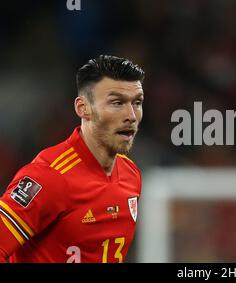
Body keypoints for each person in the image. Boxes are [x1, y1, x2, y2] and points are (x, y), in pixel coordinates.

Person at [0, 55, 145, 263]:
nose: (131, 115)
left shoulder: (131, 175)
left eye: (137, 103)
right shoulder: (49, 176)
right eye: (117, 102)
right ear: (83, 108)